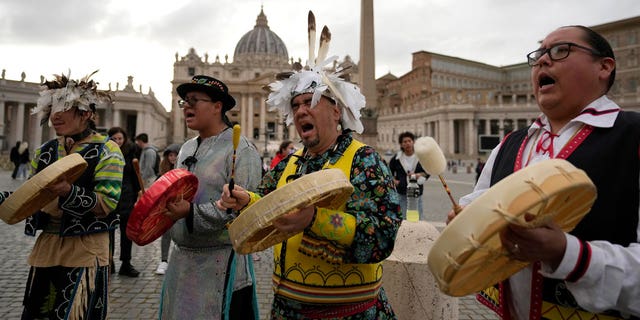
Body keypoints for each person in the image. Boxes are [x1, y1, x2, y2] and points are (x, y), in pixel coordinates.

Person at [217, 15, 402, 317]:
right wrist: (244, 200)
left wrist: (314, 220)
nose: (301, 109)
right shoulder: (291, 163)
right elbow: (267, 205)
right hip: (286, 310)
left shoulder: (364, 160)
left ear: (336, 111)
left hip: (349, 313)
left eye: (310, 101)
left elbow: (382, 236)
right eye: (296, 104)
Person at [449, 26, 640, 319]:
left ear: (604, 67)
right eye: (538, 55)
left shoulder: (633, 137)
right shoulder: (509, 143)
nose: (542, 61)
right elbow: (478, 202)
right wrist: (464, 220)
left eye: (560, 51)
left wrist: (567, 254)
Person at [18, 72, 123, 319]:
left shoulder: (108, 150)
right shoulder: (45, 151)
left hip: (86, 248)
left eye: (64, 107)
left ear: (86, 113)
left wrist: (69, 191)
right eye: (52, 107)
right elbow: (29, 196)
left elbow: (107, 204)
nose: (55, 114)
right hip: (47, 247)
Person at [160, 75, 263, 319]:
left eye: (194, 100)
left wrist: (190, 212)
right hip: (182, 265)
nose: (186, 106)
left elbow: (241, 213)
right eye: (184, 101)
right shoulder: (186, 148)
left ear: (218, 107)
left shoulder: (242, 151)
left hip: (221, 265)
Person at [108, 126, 142, 277]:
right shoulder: (106, 152)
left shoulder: (130, 152)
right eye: (114, 139)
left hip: (127, 196)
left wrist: (139, 191)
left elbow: (135, 174)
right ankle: (108, 261)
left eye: (120, 138)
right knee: (108, 230)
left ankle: (126, 263)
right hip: (109, 194)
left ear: (124, 139)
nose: (117, 141)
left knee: (126, 231)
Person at [388, 131, 429, 220]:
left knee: (418, 217)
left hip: (417, 192)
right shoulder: (396, 159)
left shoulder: (420, 157)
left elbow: (427, 172)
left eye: (409, 141)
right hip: (402, 192)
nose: (407, 143)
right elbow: (388, 173)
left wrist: (419, 174)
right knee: (403, 218)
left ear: (413, 142)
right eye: (405, 142)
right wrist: (394, 181)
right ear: (401, 144)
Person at [155, 143, 180, 275]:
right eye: (170, 155)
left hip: (182, 206)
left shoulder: (185, 169)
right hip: (167, 207)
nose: (173, 158)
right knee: (166, 234)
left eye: (175, 155)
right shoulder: (163, 171)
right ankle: (164, 260)